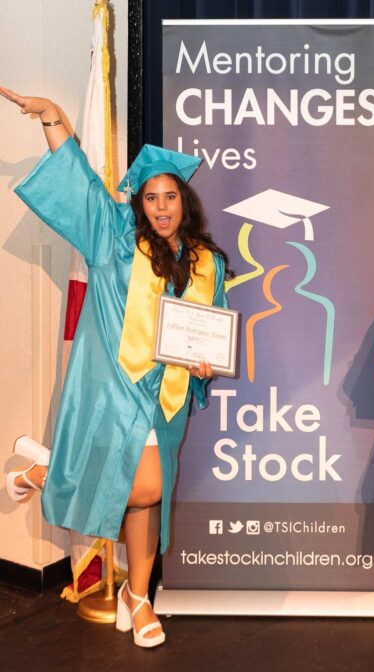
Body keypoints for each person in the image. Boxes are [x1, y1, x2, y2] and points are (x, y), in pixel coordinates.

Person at [1, 87, 233, 648]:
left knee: (147, 496)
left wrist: (206, 368)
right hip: (114, 385)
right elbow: (79, 186)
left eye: (170, 197)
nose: (160, 207)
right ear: (138, 203)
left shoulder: (208, 262)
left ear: (185, 202)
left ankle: (139, 594)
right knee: (146, 486)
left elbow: (212, 328)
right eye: (151, 197)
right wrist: (53, 119)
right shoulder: (113, 239)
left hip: (168, 394)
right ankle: (47, 474)